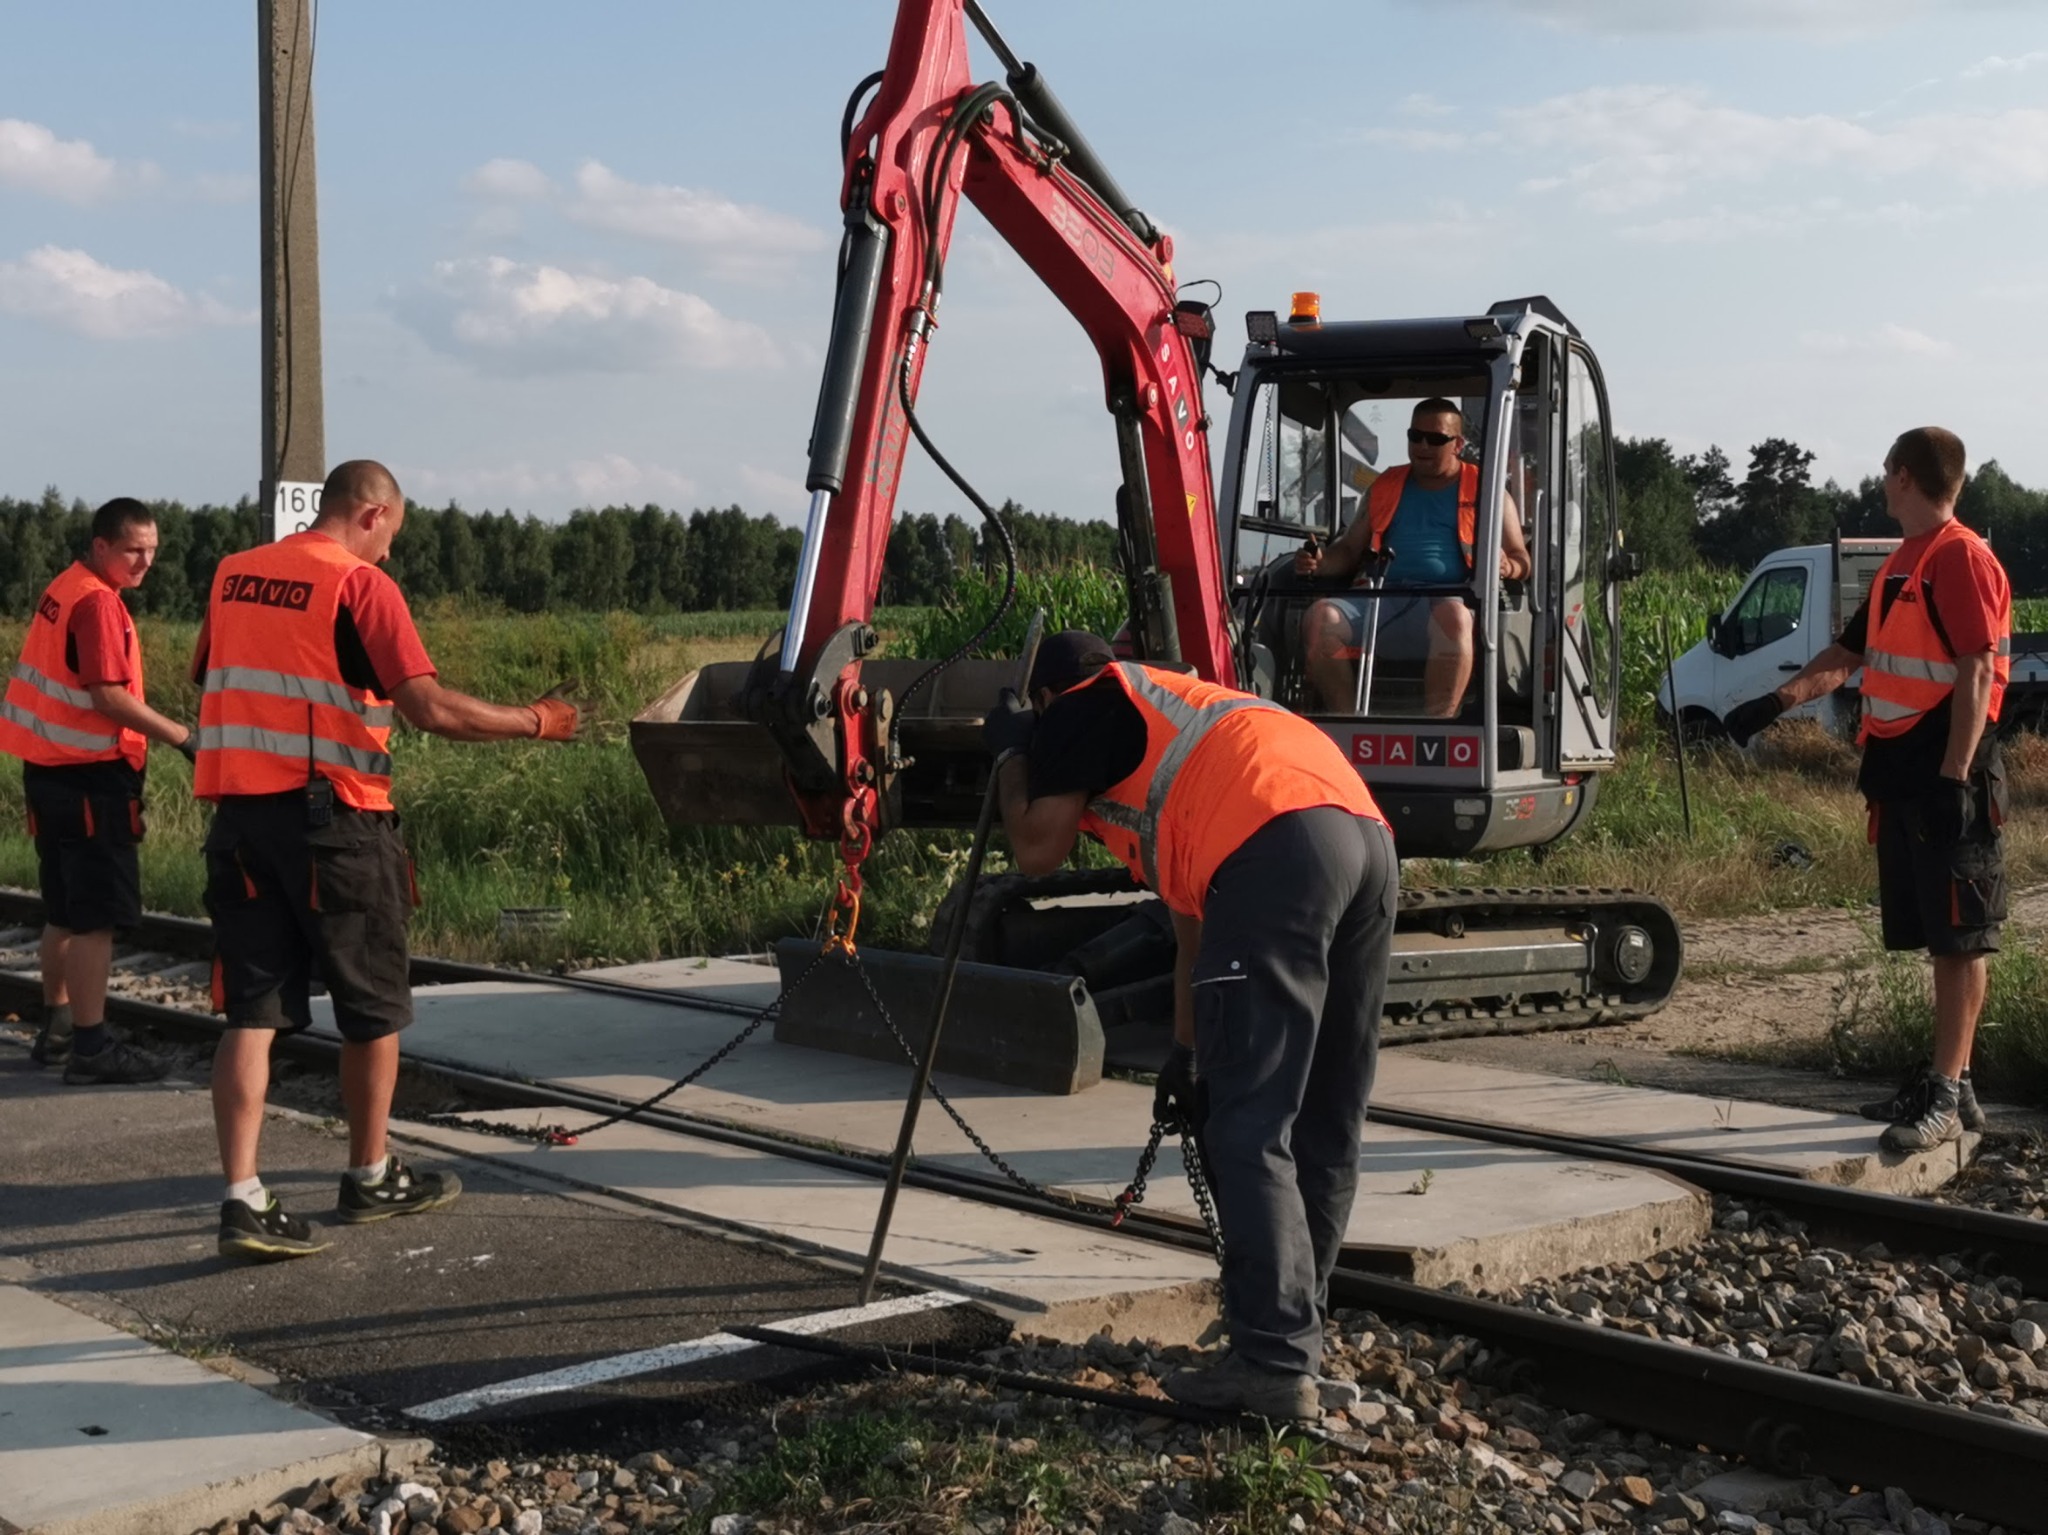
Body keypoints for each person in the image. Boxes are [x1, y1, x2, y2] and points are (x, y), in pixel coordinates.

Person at [984, 631, 1398, 1419]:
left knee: (1248, 1123)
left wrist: (1011, 753)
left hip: (1279, 849)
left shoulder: (1082, 703)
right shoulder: (1188, 720)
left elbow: (1037, 844)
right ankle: (1291, 1343)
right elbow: (1194, 932)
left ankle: (1272, 1360)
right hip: (1364, 841)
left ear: (1045, 697)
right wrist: (1187, 1052)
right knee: (1322, 1116)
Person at [194, 460, 582, 1262]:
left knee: (252, 1014)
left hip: (238, 820)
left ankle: (242, 1197)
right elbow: (429, 706)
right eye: (392, 537)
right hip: (334, 821)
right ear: (372, 514)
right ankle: (370, 1174)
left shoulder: (235, 574)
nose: (391, 556)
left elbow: (211, 672)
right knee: (372, 1007)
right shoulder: (359, 586)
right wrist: (536, 721)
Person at [1725, 427, 2006, 1151]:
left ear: (1906, 477)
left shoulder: (1960, 557)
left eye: (1887, 472)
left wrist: (1954, 775)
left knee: (1960, 938)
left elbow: (1977, 668)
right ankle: (1958, 1079)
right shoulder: (1901, 565)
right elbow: (1851, 653)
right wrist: (1775, 703)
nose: (1881, 483)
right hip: (1903, 772)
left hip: (1951, 773)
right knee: (1939, 934)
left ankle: (1944, 1092)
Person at [1, 498, 196, 1084]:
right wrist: (184, 736)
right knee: (94, 921)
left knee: (62, 910)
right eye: (134, 550)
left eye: (153, 551)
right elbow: (108, 696)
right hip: (90, 778)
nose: (145, 562)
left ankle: (59, 1029)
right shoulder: (97, 605)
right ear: (103, 546)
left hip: (49, 773)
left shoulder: (67, 585)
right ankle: (91, 1048)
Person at [1295, 399, 1532, 716]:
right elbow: (1350, 550)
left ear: (1458, 444)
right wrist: (1321, 563)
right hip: (1382, 599)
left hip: (1449, 602)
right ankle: (1347, 724)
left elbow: (1522, 561)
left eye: (1435, 439)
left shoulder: (1487, 491)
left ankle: (1437, 729)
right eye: (1415, 435)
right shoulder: (1385, 485)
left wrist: (1508, 566)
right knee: (1320, 618)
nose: (1422, 445)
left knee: (1454, 617)